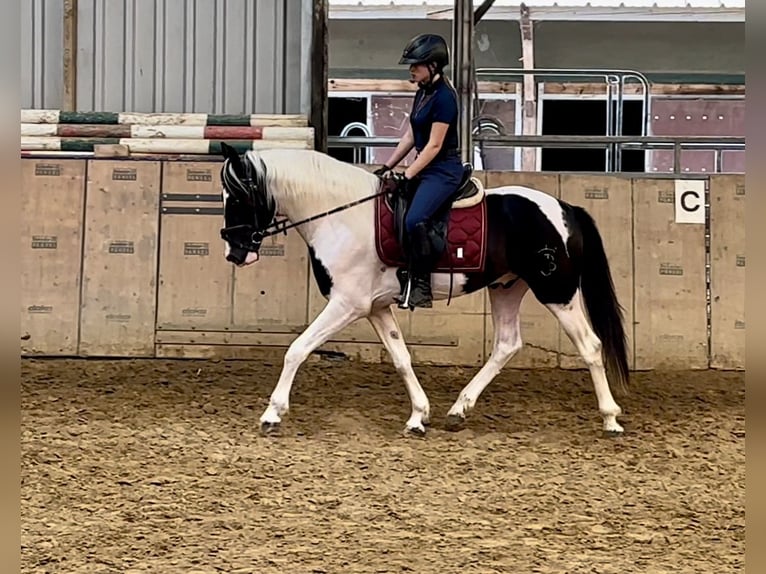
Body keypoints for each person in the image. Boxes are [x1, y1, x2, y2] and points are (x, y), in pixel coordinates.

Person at [374, 33, 463, 310]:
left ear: (433, 65)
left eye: (417, 64)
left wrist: (409, 173)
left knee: (414, 220)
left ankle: (421, 285)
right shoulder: (423, 93)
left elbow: (435, 145)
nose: (411, 69)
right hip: (425, 167)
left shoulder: (445, 98)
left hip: (443, 171)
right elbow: (412, 135)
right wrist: (388, 165)